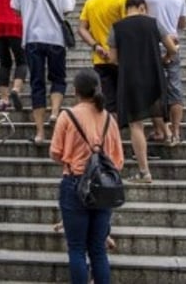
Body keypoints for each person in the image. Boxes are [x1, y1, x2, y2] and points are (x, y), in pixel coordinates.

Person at [49, 69, 125, 284]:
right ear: (98, 89)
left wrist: (73, 158)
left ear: (75, 91)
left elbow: (55, 152)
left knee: (76, 249)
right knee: (98, 250)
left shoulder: (67, 115)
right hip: (103, 188)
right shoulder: (109, 119)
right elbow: (118, 160)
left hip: (74, 182)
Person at [108, 0, 178, 184]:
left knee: (135, 125)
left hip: (130, 79)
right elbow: (173, 48)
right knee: (156, 105)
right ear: (141, 7)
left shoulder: (116, 27)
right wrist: (165, 59)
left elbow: (113, 59)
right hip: (154, 75)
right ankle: (168, 133)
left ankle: (144, 172)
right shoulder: (153, 23)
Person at [10, 0, 76, 144]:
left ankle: (39, 133)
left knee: (37, 83)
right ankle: (54, 113)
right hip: (55, 37)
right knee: (58, 78)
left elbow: (14, 7)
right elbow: (68, 7)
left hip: (31, 37)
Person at [77, 0, 142, 118]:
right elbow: (129, 28)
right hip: (121, 58)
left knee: (109, 102)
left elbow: (81, 29)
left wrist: (96, 46)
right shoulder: (124, 0)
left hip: (100, 59)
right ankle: (117, 135)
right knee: (125, 100)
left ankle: (109, 133)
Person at [142, 0, 186, 146]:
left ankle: (160, 130)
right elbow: (182, 24)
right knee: (174, 87)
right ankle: (176, 131)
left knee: (152, 90)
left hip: (151, 45)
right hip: (173, 43)